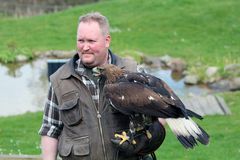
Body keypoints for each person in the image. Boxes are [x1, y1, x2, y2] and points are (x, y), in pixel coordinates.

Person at [39, 12, 165, 160]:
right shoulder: (60, 80)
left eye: (91, 41)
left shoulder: (133, 72)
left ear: (107, 40)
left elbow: (160, 114)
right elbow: (50, 130)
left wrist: (147, 142)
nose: (85, 47)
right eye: (80, 40)